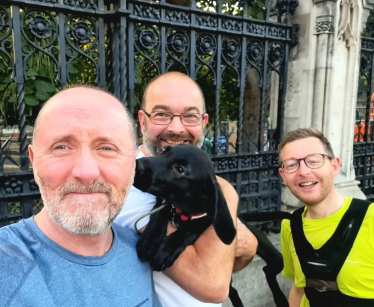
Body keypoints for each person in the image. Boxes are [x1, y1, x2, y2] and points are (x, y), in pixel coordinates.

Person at [0, 86, 161, 307]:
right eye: (62, 146)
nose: (86, 173)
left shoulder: (141, 251)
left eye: (106, 148)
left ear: (133, 163)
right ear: (34, 160)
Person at [115, 72, 258, 306]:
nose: (177, 128)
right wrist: (227, 194)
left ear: (203, 123)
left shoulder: (195, 181)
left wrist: (247, 248)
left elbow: (231, 260)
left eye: (190, 116)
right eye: (162, 114)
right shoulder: (126, 187)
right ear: (142, 121)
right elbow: (213, 285)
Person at [278, 128, 374, 307]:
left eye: (314, 161)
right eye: (291, 165)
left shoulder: (371, 218)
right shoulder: (290, 225)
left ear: (335, 166)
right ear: (283, 176)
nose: (303, 171)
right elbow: (299, 288)